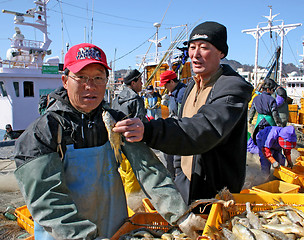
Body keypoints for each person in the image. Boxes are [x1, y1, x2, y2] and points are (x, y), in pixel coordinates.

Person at [14, 43, 203, 240]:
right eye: (81, 77)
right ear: (65, 80)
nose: (91, 86)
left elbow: (149, 170)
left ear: (106, 82)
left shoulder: (116, 122)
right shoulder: (42, 133)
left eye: (98, 78)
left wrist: (180, 215)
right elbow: (48, 202)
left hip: (115, 231)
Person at [114, 21, 254, 205]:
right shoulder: (192, 85)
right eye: (192, 47)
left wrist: (149, 131)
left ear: (221, 53)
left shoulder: (233, 87)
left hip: (216, 190)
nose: (195, 54)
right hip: (187, 181)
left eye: (204, 47)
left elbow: (203, 128)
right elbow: (182, 121)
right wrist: (179, 172)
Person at [112, 69, 146, 195]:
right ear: (133, 83)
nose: (142, 83)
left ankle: (123, 200)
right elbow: (141, 124)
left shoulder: (117, 98)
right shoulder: (136, 99)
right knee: (134, 176)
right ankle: (132, 205)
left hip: (119, 144)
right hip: (134, 145)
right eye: (140, 81)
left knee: (124, 173)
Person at [159, 70, 186, 178]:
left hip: (180, 130)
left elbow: (183, 114)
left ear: (171, 82)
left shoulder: (182, 93)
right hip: (173, 127)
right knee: (166, 155)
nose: (165, 87)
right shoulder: (174, 93)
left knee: (177, 160)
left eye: (165, 84)